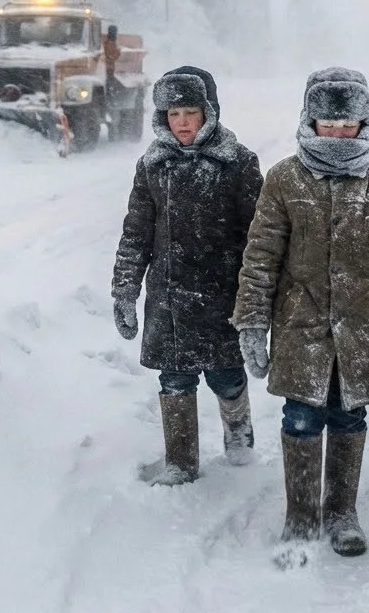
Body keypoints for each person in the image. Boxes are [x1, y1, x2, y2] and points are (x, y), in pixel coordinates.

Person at [232, 67, 369, 560]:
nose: (337, 134)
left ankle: (341, 512)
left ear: (364, 124)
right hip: (299, 326)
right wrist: (252, 321)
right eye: (328, 124)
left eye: (347, 125)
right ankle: (301, 515)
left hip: (362, 328)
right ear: (310, 121)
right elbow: (260, 258)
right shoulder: (284, 178)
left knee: (348, 417)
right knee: (300, 418)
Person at [112, 65, 263, 485]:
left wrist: (258, 299)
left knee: (225, 375)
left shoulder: (238, 162)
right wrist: (125, 289)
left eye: (190, 113)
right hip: (169, 297)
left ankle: (239, 439)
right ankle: (181, 461)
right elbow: (136, 232)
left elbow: (260, 236)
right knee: (175, 379)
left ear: (208, 113)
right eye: (173, 114)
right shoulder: (152, 165)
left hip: (222, 295)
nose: (181, 122)